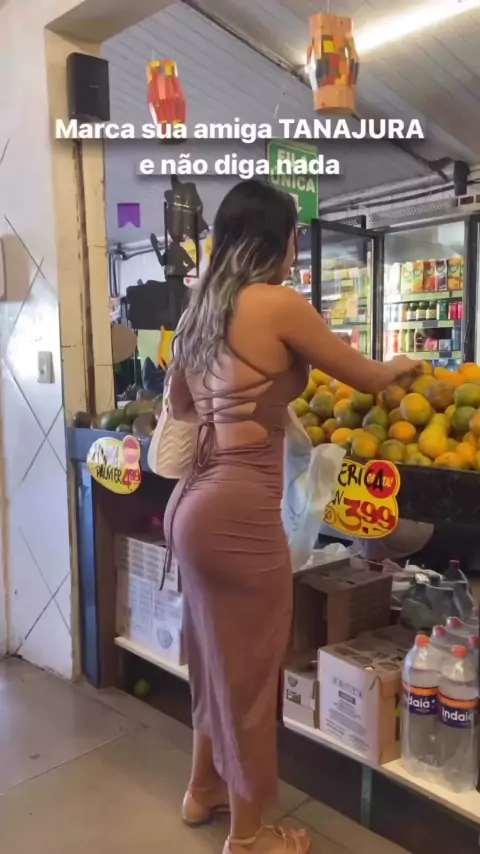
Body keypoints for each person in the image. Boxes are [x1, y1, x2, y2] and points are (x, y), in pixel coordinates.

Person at [164, 179, 420, 854]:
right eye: (294, 237)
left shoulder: (200, 309)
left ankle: (203, 790)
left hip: (190, 505)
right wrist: (405, 364)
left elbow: (183, 409)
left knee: (211, 659)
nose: (295, 249)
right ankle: (250, 836)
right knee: (249, 675)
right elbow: (368, 377)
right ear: (280, 239)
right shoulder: (278, 302)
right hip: (239, 513)